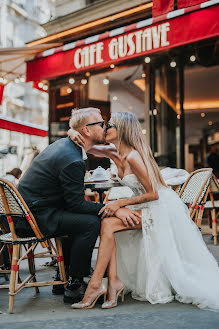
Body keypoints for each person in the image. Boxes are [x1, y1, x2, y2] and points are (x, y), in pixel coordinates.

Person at [69, 111, 219, 311]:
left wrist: (120, 203)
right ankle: (110, 283)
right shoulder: (115, 152)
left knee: (108, 222)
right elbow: (87, 146)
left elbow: (154, 194)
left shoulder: (133, 157)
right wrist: (72, 132)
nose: (106, 128)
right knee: (107, 222)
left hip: (160, 210)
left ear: (122, 130)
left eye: (110, 125)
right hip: (142, 206)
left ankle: (99, 284)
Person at [16, 108, 140, 305]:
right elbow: (75, 203)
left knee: (81, 218)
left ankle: (64, 275)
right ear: (87, 131)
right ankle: (74, 284)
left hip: (30, 212)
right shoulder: (73, 159)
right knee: (89, 222)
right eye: (101, 123)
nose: (104, 126)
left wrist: (111, 206)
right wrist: (114, 208)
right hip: (33, 218)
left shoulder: (66, 146)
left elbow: (73, 204)